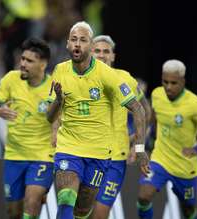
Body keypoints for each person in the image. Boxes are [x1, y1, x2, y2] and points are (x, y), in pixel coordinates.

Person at [47, 21, 149, 219]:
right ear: (68, 44)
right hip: (69, 148)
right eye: (74, 40)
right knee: (66, 198)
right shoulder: (60, 70)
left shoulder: (113, 77)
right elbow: (49, 116)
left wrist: (138, 146)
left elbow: (140, 109)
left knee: (86, 211)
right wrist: (58, 103)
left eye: (83, 40)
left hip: (104, 154)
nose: (77, 44)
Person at [136, 59, 197, 219]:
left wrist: (196, 149)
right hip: (160, 159)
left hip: (185, 166)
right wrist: (141, 143)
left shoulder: (195, 104)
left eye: (173, 83)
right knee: (143, 196)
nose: (168, 87)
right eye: (165, 81)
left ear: (183, 81)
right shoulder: (157, 94)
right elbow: (153, 120)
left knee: (188, 209)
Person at [0, 38, 55, 219]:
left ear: (43, 64)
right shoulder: (10, 79)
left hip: (42, 157)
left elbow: (59, 121)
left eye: (29, 61)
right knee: (13, 212)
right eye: (22, 59)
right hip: (14, 156)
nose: (23, 64)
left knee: (31, 202)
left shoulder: (54, 88)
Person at [90, 35, 150, 219]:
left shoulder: (125, 79)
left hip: (115, 158)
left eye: (106, 51)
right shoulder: (79, 77)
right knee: (81, 210)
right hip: (86, 155)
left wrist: (136, 144)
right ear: (90, 53)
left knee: (100, 213)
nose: (101, 55)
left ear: (113, 56)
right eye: (97, 51)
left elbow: (145, 112)